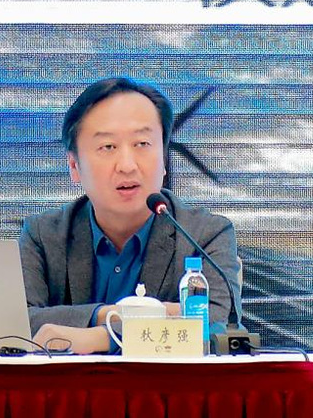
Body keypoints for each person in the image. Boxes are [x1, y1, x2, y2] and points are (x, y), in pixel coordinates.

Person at [19, 77, 242, 354]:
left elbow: (218, 328)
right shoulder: (43, 235)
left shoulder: (205, 234)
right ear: (74, 166)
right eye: (108, 147)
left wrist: (102, 337)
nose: (127, 165)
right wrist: (116, 314)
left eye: (142, 144)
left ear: (164, 159)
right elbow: (18, 322)